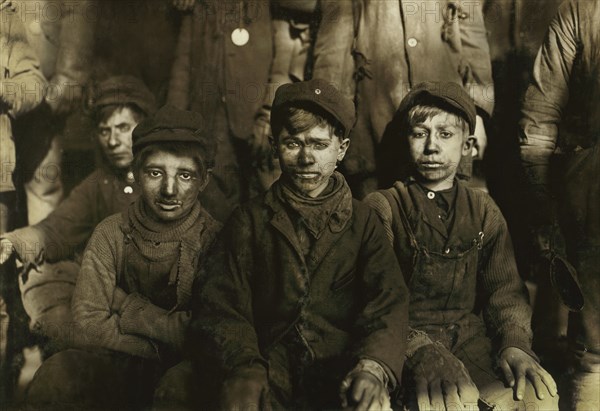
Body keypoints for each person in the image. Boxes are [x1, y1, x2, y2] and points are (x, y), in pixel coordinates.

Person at [189, 79, 409, 410]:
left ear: (342, 150)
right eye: (293, 144)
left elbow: (388, 303)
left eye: (319, 145)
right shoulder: (248, 220)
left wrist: (373, 368)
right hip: (266, 370)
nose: (306, 158)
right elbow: (220, 305)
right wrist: (243, 368)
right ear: (275, 146)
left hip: (343, 371)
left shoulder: (364, 223)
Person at [365, 82, 558, 410]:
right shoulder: (383, 207)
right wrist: (419, 352)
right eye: (420, 133)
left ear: (467, 145)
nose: (431, 147)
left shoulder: (484, 210)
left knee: (535, 398)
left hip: (471, 341)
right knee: (446, 402)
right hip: (404, 343)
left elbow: (505, 293)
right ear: (405, 141)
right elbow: (373, 303)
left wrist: (514, 345)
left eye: (445, 134)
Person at [24, 105, 222, 410]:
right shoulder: (111, 232)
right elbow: (87, 325)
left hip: (183, 371)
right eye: (155, 173)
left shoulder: (216, 240)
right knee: (57, 374)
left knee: (179, 390)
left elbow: (205, 333)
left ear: (204, 180)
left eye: (185, 175)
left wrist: (124, 306)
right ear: (138, 172)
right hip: (118, 364)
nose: (169, 189)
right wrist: (162, 342)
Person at [0, 75, 155, 347]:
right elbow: (57, 229)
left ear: (145, 127)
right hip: (112, 303)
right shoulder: (99, 183)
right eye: (104, 131)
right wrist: (15, 242)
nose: (113, 141)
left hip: (159, 309)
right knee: (41, 277)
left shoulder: (168, 178)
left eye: (123, 127)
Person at [311, 0, 494, 198]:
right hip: (375, 128)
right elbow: (334, 54)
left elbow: (474, 44)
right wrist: (330, 118)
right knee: (379, 213)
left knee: (450, 211)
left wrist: (478, 112)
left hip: (447, 119)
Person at [519, 1, 600, 409]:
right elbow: (540, 114)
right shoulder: (583, 11)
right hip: (593, 198)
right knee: (594, 356)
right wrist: (544, 201)